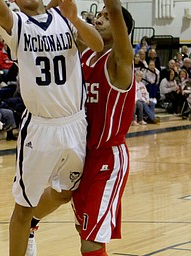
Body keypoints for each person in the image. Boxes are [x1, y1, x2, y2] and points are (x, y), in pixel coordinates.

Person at [0, 0, 104, 255]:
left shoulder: (64, 16)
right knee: (23, 207)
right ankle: (24, 232)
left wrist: (76, 19)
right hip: (40, 129)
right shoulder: (17, 23)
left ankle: (33, 226)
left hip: (75, 124)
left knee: (64, 193)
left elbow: (98, 44)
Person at [61, 0, 134, 255]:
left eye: (105, 16)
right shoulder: (86, 52)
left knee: (91, 242)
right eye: (98, 15)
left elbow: (115, 9)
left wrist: (111, 10)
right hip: (82, 154)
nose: (100, 19)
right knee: (86, 238)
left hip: (108, 157)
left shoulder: (120, 60)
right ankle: (31, 225)